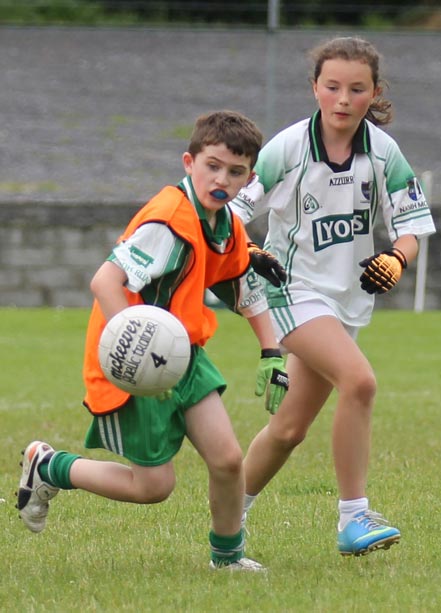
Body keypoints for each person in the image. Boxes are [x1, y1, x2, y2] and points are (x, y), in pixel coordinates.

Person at [16, 110, 289, 571]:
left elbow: (244, 287)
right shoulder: (168, 221)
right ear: (189, 162)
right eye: (213, 166)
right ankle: (49, 466)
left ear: (248, 178)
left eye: (235, 171)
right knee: (153, 487)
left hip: (183, 354)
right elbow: (105, 281)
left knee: (227, 460)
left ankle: (227, 559)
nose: (222, 179)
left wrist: (271, 351)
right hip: (132, 361)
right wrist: (134, 344)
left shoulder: (224, 224)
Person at [230, 37, 436, 557]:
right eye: (332, 86)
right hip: (290, 292)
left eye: (356, 88)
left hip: (344, 302)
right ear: (315, 89)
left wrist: (396, 258)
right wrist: (251, 250)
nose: (343, 98)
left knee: (290, 429)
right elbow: (230, 214)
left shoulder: (383, 152)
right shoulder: (287, 148)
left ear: (375, 93)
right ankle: (353, 518)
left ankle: (227, 519)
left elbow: (410, 227)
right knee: (360, 381)